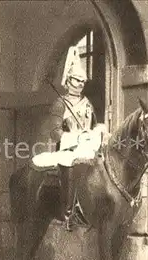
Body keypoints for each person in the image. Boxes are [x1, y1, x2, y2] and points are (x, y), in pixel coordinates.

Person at [48, 46, 104, 222]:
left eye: (82, 81)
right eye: (76, 80)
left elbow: (94, 125)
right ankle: (70, 211)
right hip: (68, 148)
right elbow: (55, 133)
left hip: (88, 146)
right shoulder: (60, 103)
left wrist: (96, 132)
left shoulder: (87, 103)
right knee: (72, 165)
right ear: (68, 80)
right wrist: (77, 137)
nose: (80, 84)